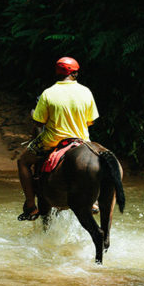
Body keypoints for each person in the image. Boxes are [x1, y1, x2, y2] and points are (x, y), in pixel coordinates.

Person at [17, 56, 99, 221]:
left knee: (22, 161)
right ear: (75, 73)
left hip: (51, 140)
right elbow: (91, 121)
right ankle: (94, 201)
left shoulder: (48, 93)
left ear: (57, 72)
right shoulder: (86, 91)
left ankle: (31, 204)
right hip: (82, 141)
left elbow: (38, 121)